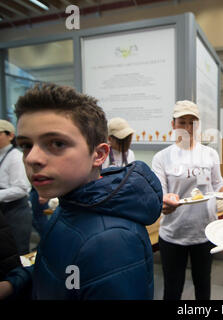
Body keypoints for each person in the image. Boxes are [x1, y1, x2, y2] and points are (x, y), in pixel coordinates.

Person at [0, 83, 162, 300]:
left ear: (98, 155)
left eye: (56, 143)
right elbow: (63, 275)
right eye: (26, 145)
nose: (31, 158)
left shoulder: (111, 242)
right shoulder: (71, 204)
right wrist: (13, 284)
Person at [151, 100, 223, 300]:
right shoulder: (162, 158)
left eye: (192, 122)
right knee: (173, 288)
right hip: (173, 234)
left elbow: (217, 187)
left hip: (205, 233)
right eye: (182, 122)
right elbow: (160, 195)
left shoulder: (209, 154)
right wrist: (165, 204)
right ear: (173, 125)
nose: (187, 128)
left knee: (203, 285)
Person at [0, 119, 32, 255]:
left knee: (17, 251)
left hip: (15, 210)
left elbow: (21, 189)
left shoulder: (16, 157)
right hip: (3, 209)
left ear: (10, 135)